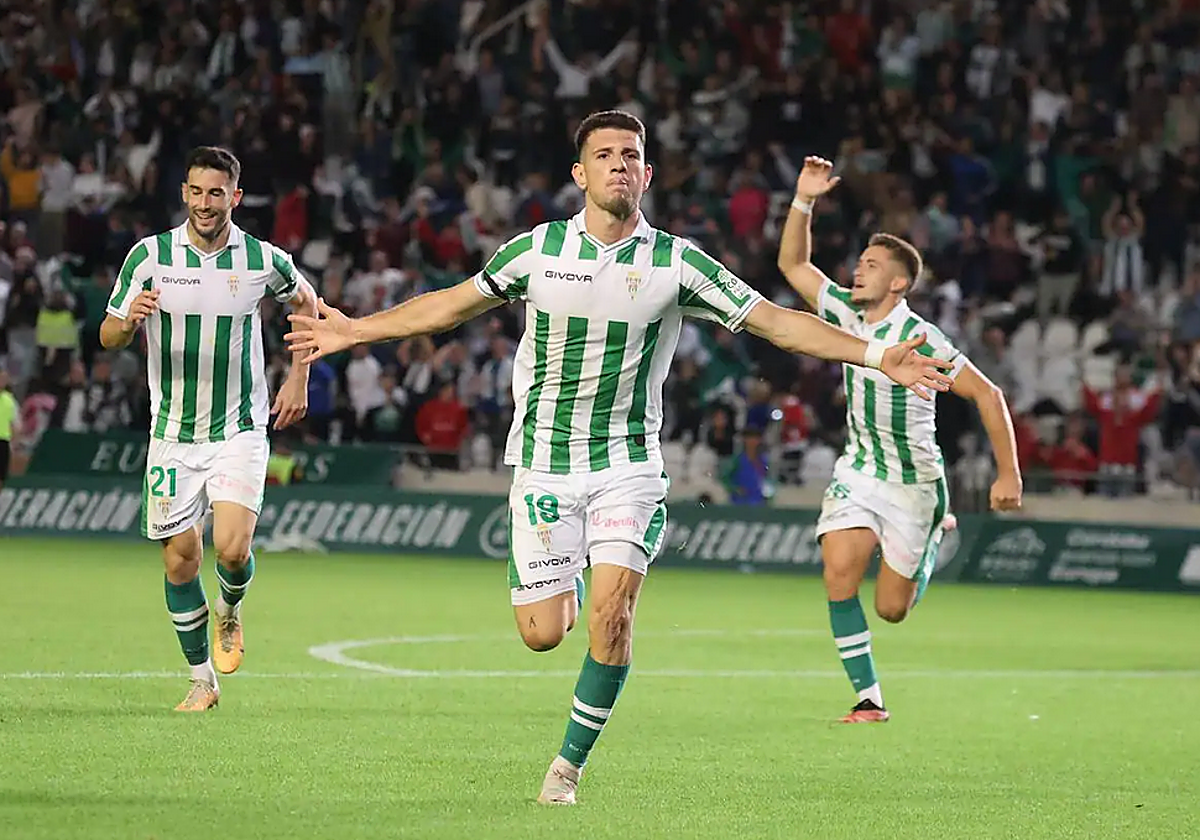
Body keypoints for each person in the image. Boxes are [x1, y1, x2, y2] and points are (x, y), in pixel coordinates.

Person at [284, 111, 951, 802]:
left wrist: (879, 355)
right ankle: (566, 579)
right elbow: (451, 306)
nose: (619, 165)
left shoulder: (677, 262)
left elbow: (775, 322)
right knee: (543, 634)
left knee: (614, 616)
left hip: (626, 468)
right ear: (580, 174)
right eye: (604, 155)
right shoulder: (536, 250)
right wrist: (356, 329)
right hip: (545, 464)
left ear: (648, 173)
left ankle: (566, 769)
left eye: (630, 155)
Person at [775, 156, 1023, 723]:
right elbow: (793, 262)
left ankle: (937, 531)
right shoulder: (841, 309)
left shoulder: (922, 337)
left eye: (870, 265)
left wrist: (1008, 474)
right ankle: (869, 699)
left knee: (892, 609)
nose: (857, 272)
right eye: (858, 262)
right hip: (859, 468)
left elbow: (989, 396)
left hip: (915, 484)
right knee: (839, 570)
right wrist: (804, 200)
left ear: (899, 283)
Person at [99, 146, 315, 712]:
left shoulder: (261, 259)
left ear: (234, 198)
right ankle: (202, 681)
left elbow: (309, 305)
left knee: (232, 549)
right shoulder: (149, 257)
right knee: (179, 558)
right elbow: (107, 334)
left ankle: (231, 610)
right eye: (195, 192)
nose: (204, 203)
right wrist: (128, 322)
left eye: (216, 193)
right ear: (184, 195)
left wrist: (299, 379)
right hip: (171, 433)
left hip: (240, 428)